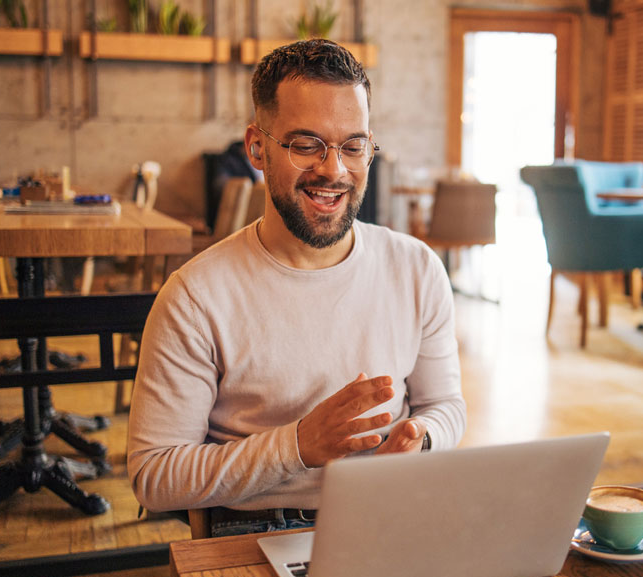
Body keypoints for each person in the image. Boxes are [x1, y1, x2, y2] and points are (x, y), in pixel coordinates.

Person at [127, 39, 466, 537]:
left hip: (389, 513)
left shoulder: (416, 268)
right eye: (307, 145)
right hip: (258, 530)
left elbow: (447, 407)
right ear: (257, 148)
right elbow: (154, 476)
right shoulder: (195, 296)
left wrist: (421, 437)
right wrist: (298, 446)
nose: (334, 170)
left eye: (353, 146)